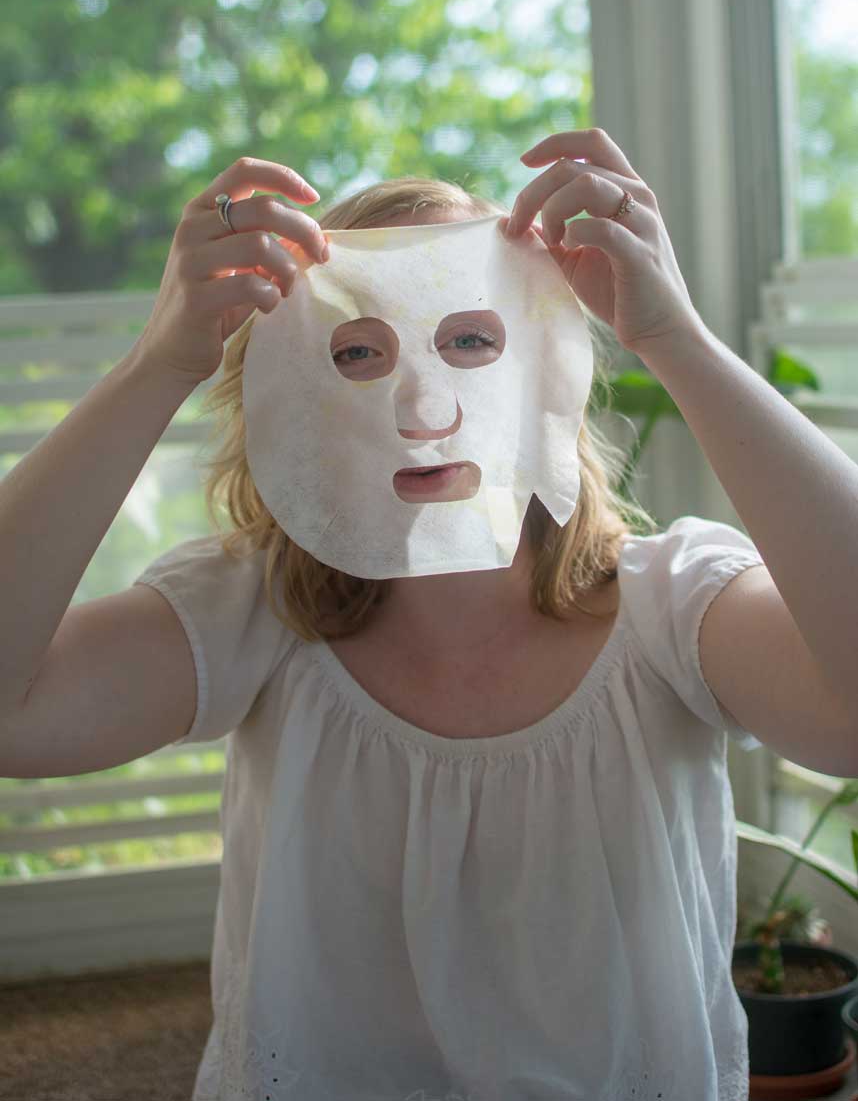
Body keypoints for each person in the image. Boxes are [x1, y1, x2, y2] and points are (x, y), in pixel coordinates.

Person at [0, 133, 774, 1099]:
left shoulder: (670, 607)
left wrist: (679, 340)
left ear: (546, 371)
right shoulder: (253, 615)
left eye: (471, 339)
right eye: (358, 352)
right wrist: (157, 364)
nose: (423, 401)